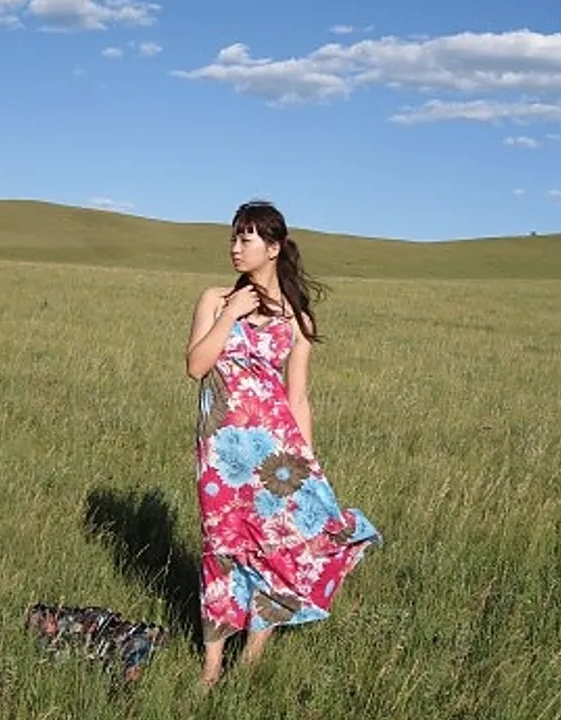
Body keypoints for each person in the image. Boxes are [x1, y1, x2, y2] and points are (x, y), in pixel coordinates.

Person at [184, 200, 381, 689]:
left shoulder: (297, 318)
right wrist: (231, 314)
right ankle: (210, 668)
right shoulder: (215, 299)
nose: (235, 247)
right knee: (220, 548)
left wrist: (308, 461)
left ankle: (251, 659)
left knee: (275, 547)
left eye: (246, 238)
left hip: (277, 456)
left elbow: (298, 397)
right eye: (233, 238)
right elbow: (195, 366)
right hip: (221, 454)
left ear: (273, 248)